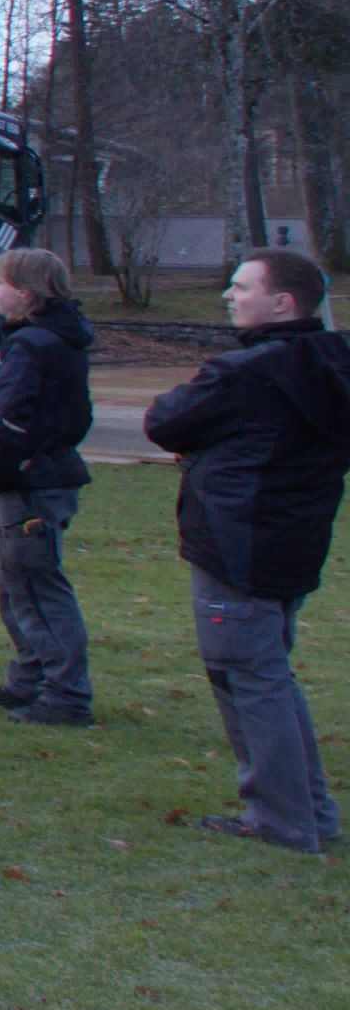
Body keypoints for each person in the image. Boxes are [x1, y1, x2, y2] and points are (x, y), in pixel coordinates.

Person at [144, 247, 350, 853]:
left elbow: (166, 420)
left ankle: (281, 819)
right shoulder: (331, 361)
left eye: (241, 287)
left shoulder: (247, 373)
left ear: (282, 302)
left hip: (238, 546)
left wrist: (205, 449)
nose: (228, 296)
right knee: (269, 676)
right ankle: (307, 809)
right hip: (293, 542)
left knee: (247, 679)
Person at [0, 247, 96, 726]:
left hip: (33, 481)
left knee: (38, 586)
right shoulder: (49, 341)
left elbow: (7, 417)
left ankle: (65, 695)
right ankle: (30, 678)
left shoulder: (33, 346)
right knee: (16, 585)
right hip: (39, 476)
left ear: (24, 293)